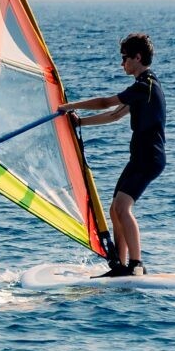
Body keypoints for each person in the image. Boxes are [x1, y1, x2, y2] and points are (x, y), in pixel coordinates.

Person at [67, 32, 164, 277]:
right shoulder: (143, 87)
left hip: (149, 158)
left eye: (124, 58)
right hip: (139, 158)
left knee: (122, 207)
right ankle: (120, 265)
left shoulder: (145, 86)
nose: (122, 64)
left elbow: (105, 103)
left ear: (137, 57)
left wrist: (69, 106)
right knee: (114, 209)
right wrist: (80, 122)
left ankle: (136, 265)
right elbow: (115, 115)